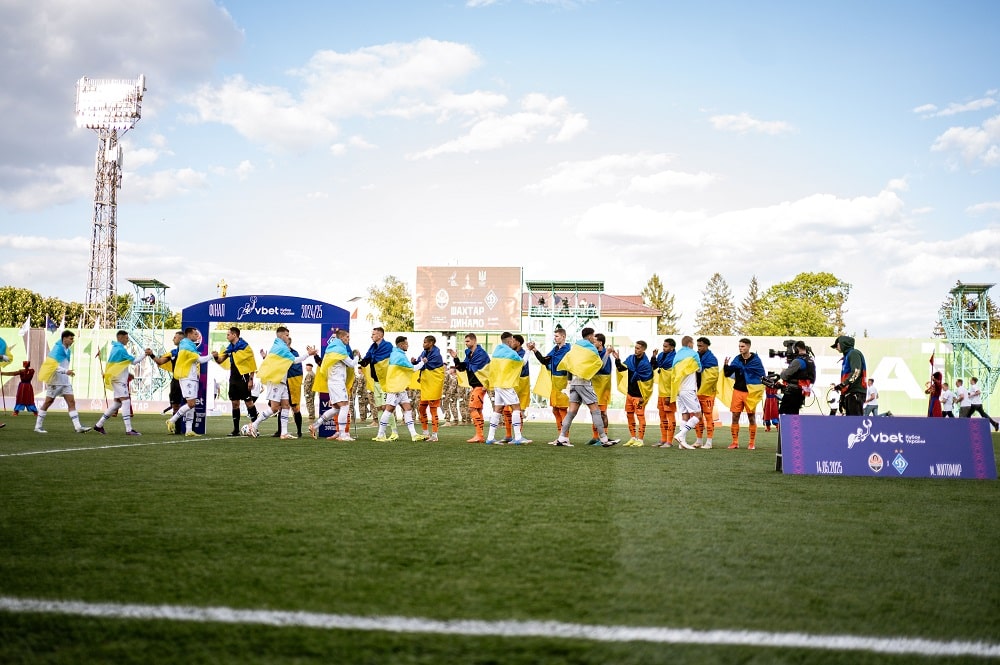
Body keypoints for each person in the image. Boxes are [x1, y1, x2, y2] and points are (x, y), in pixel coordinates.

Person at [547, 328, 618, 448]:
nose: (594, 338)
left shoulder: (575, 347)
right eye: (593, 336)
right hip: (584, 383)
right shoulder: (591, 349)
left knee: (571, 412)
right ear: (590, 336)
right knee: (596, 411)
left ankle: (562, 438)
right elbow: (600, 366)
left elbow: (568, 363)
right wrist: (607, 353)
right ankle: (604, 439)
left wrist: (569, 382)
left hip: (574, 383)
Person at [245, 327, 316, 439]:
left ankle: (284, 433)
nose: (288, 337)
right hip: (276, 381)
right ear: (282, 336)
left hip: (282, 381)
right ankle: (253, 425)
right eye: (287, 335)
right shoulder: (281, 347)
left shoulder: (278, 346)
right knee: (274, 408)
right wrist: (308, 354)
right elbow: (294, 361)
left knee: (286, 406)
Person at [35, 330, 91, 434]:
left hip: (65, 381)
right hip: (55, 381)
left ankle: (78, 427)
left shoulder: (68, 351)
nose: (72, 341)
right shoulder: (57, 349)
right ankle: (38, 426)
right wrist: (66, 371)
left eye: (73, 339)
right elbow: (52, 366)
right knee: (48, 402)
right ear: (64, 339)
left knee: (71, 402)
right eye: (71, 338)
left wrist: (67, 372)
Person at [373, 336, 428, 442]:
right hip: (395, 388)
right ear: (401, 344)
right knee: (388, 410)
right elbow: (413, 369)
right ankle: (380, 435)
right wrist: (423, 362)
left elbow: (405, 369)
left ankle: (414, 435)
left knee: (408, 409)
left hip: (400, 388)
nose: (408, 345)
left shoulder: (396, 354)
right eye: (406, 344)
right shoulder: (399, 355)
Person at [309, 328, 358, 441]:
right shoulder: (339, 350)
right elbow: (351, 364)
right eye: (347, 337)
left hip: (332, 382)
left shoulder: (331, 349)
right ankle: (342, 434)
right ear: (342, 337)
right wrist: (356, 356)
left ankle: (315, 426)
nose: (348, 339)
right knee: (345, 406)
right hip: (337, 382)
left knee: (336, 409)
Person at [93, 330, 146, 435]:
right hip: (119, 380)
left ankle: (99, 425)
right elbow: (134, 361)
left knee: (117, 403)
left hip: (116, 378)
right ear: (120, 338)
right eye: (126, 338)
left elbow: (119, 365)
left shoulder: (115, 348)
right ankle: (129, 430)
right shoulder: (121, 349)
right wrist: (145, 354)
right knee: (126, 401)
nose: (128, 340)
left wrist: (127, 373)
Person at [484, 332, 532, 445]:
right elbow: (523, 363)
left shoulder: (496, 351)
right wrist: (529, 350)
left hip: (497, 384)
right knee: (516, 408)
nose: (513, 342)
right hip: (506, 384)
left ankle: (490, 437)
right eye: (512, 340)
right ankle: (518, 437)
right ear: (510, 340)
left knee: (497, 409)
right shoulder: (511, 353)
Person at [165, 327, 214, 437]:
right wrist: (212, 355)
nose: (197, 336)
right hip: (187, 377)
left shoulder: (189, 346)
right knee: (191, 404)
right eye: (195, 334)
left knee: (192, 405)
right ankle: (172, 420)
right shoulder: (186, 346)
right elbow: (200, 360)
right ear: (189, 334)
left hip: (191, 377)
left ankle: (188, 430)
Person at [212, 326, 260, 437]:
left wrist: (251, 380)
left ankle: (255, 428)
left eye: (228, 334)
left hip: (243, 377)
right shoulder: (230, 348)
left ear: (234, 335)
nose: (227, 336)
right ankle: (236, 430)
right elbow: (220, 360)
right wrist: (216, 357)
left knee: (249, 402)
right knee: (234, 403)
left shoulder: (245, 347)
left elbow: (251, 364)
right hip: (233, 377)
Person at [527, 326, 571, 437]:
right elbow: (544, 361)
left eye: (557, 336)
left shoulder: (568, 350)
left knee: (562, 409)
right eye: (554, 336)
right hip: (554, 382)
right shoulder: (555, 350)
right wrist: (534, 349)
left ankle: (565, 437)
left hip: (563, 382)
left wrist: (569, 383)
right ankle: (560, 436)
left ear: (563, 337)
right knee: (555, 410)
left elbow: (570, 367)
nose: (555, 338)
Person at [723, 338, 766, 450]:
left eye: (742, 346)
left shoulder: (756, 360)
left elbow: (761, 375)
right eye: (739, 346)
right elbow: (727, 374)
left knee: (751, 417)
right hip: (737, 391)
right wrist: (726, 365)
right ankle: (735, 442)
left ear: (748, 347)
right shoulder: (737, 359)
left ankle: (751, 443)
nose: (740, 348)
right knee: (735, 416)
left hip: (750, 393)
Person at [449, 333, 490, 442]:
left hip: (480, 385)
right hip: (475, 385)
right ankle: (480, 435)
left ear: (474, 341)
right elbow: (463, 367)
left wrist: (486, 384)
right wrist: (455, 358)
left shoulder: (481, 354)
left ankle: (479, 435)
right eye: (465, 341)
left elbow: (487, 369)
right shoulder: (469, 354)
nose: (466, 343)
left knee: (472, 408)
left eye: (467, 341)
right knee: (478, 410)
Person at [359, 327, 398, 439]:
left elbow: (393, 361)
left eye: (374, 334)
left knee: (387, 407)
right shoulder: (372, 348)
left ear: (380, 335)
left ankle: (394, 432)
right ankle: (382, 433)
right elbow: (365, 362)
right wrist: (358, 358)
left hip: (385, 382)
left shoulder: (388, 346)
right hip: (376, 381)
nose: (371, 336)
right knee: (379, 407)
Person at [613, 341, 653, 446]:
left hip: (639, 396)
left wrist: (644, 396)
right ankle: (633, 437)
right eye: (635, 347)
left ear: (643, 349)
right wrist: (617, 360)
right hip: (630, 394)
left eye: (638, 348)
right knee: (629, 415)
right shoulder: (630, 359)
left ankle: (640, 440)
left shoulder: (646, 364)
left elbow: (649, 383)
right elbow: (621, 369)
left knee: (640, 417)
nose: (636, 350)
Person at [671, 336, 704, 448]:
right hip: (688, 389)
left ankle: (682, 444)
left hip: (678, 390)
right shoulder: (694, 354)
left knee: (685, 415)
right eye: (693, 343)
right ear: (689, 343)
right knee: (698, 415)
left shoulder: (677, 355)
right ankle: (680, 435)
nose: (694, 345)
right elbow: (699, 369)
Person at [150, 331, 185, 434]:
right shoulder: (173, 352)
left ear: (181, 340)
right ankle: (177, 430)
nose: (173, 339)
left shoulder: (188, 352)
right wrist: (151, 355)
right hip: (175, 382)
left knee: (190, 405)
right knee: (175, 405)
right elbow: (160, 361)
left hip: (186, 381)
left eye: (175, 337)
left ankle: (189, 429)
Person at [414, 335, 445, 441]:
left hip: (433, 386)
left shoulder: (437, 355)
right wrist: (414, 362)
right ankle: (426, 433)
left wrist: (422, 363)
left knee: (433, 410)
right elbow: (420, 362)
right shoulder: (424, 353)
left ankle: (435, 435)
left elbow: (428, 366)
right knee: (421, 408)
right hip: (426, 385)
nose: (423, 344)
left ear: (431, 343)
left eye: (425, 342)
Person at [588, 333, 614, 446]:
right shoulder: (593, 353)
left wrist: (607, 353)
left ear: (600, 343)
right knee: (593, 411)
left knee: (602, 413)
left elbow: (601, 367)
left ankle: (605, 437)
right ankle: (595, 437)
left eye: (594, 341)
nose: (592, 343)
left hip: (603, 386)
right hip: (594, 384)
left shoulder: (605, 354)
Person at [694, 337, 720, 447]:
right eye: (698, 346)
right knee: (698, 416)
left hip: (708, 393)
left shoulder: (712, 359)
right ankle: (699, 440)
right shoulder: (696, 356)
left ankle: (709, 442)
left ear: (706, 346)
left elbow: (713, 377)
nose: (699, 348)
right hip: (697, 392)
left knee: (708, 416)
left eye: (701, 346)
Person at [778, 341, 816, 416]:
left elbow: (785, 376)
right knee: (794, 414)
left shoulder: (798, 361)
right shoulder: (810, 360)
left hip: (793, 391)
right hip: (801, 392)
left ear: (796, 349)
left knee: (784, 413)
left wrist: (783, 372)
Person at [831, 335, 867, 417]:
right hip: (850, 392)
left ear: (843, 344)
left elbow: (856, 372)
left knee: (855, 421)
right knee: (850, 421)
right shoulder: (847, 356)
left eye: (837, 345)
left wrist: (843, 384)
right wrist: (842, 396)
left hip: (856, 392)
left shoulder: (853, 353)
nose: (836, 348)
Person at [651, 338, 676, 448]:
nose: (664, 348)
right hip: (661, 392)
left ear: (672, 348)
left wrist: (670, 395)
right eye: (663, 346)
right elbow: (654, 366)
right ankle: (663, 439)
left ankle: (669, 441)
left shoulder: (674, 359)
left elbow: (674, 379)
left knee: (670, 416)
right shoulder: (661, 356)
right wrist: (654, 357)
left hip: (668, 393)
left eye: (666, 346)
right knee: (662, 417)